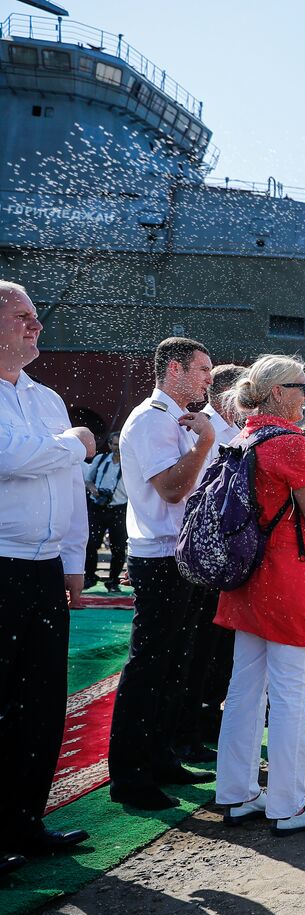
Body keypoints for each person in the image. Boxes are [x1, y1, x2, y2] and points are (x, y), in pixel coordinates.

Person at [214, 354, 305, 836]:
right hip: (289, 576)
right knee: (293, 692)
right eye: (301, 387)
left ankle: (238, 793)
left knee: (244, 689)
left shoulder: (245, 436)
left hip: (249, 577)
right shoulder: (289, 443)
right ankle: (288, 803)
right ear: (276, 393)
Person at [0, 281, 94, 872]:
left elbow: (65, 486)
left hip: (43, 570)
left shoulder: (47, 399)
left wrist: (75, 561)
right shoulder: (61, 423)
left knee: (40, 704)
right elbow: (11, 457)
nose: (36, 327)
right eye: (23, 318)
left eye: (36, 317)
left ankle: (25, 823)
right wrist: (75, 444)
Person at [108, 337, 216, 810]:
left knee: (175, 663)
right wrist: (208, 442)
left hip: (181, 555)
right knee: (149, 666)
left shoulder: (178, 419)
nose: (209, 379)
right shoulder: (151, 420)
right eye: (203, 369)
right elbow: (173, 490)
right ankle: (130, 775)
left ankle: (162, 756)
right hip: (159, 558)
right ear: (174, 370)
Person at [173, 362, 246, 763]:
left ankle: (205, 718)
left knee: (218, 648)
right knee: (198, 648)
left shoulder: (232, 433)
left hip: (224, 556)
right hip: (204, 552)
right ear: (226, 395)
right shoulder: (205, 430)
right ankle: (188, 728)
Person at [83, 432, 127, 592]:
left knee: (118, 547)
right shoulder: (100, 459)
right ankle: (90, 577)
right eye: (115, 445)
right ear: (109, 445)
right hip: (98, 507)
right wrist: (93, 489)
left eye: (120, 445)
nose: (117, 449)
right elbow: (88, 480)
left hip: (119, 508)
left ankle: (113, 581)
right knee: (91, 543)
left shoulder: (129, 463)